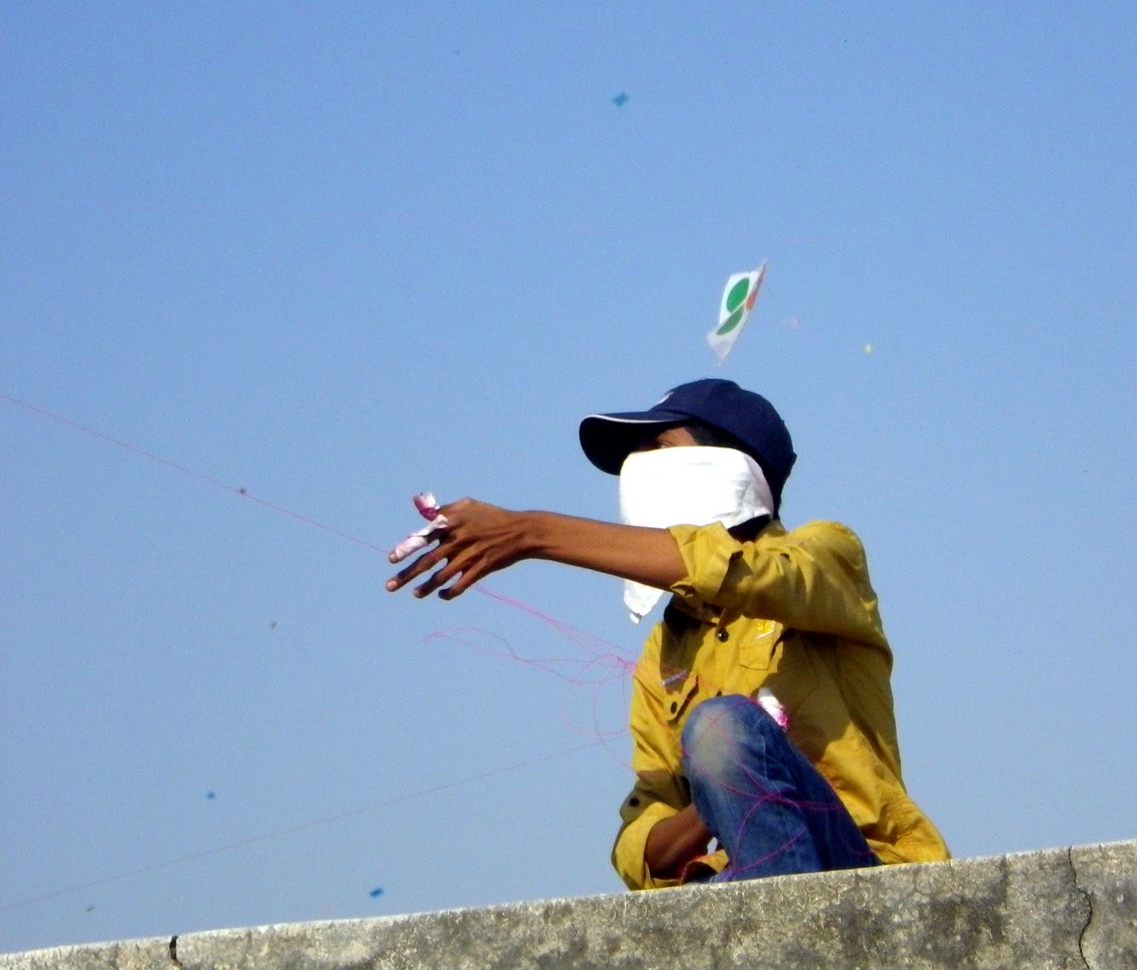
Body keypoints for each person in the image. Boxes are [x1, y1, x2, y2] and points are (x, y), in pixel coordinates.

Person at [385, 378, 949, 888]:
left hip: (863, 867)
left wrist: (532, 533)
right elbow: (641, 847)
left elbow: (739, 569)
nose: (638, 466)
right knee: (720, 753)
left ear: (732, 462)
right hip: (735, 876)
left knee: (722, 725)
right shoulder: (665, 651)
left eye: (659, 446)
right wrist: (723, 789)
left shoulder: (827, 552)